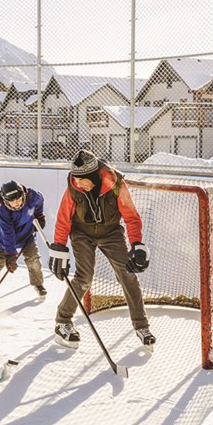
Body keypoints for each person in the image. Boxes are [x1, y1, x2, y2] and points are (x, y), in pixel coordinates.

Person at [48, 149, 155, 350]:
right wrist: (59, 247)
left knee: (128, 275)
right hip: (82, 233)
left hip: (111, 233)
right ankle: (63, 321)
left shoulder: (115, 184)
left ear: (93, 176)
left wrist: (137, 244)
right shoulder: (73, 187)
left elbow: (131, 216)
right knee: (84, 277)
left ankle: (142, 326)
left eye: (82, 180)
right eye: (76, 180)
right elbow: (64, 219)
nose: (78, 183)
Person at [0, 180, 48, 301]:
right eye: (12, 201)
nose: (17, 203)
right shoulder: (4, 211)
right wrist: (10, 253)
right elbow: (8, 233)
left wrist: (40, 216)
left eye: (18, 199)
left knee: (33, 259)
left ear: (23, 195)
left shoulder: (33, 196)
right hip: (7, 239)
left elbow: (40, 202)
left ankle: (38, 284)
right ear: (6, 201)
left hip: (27, 234)